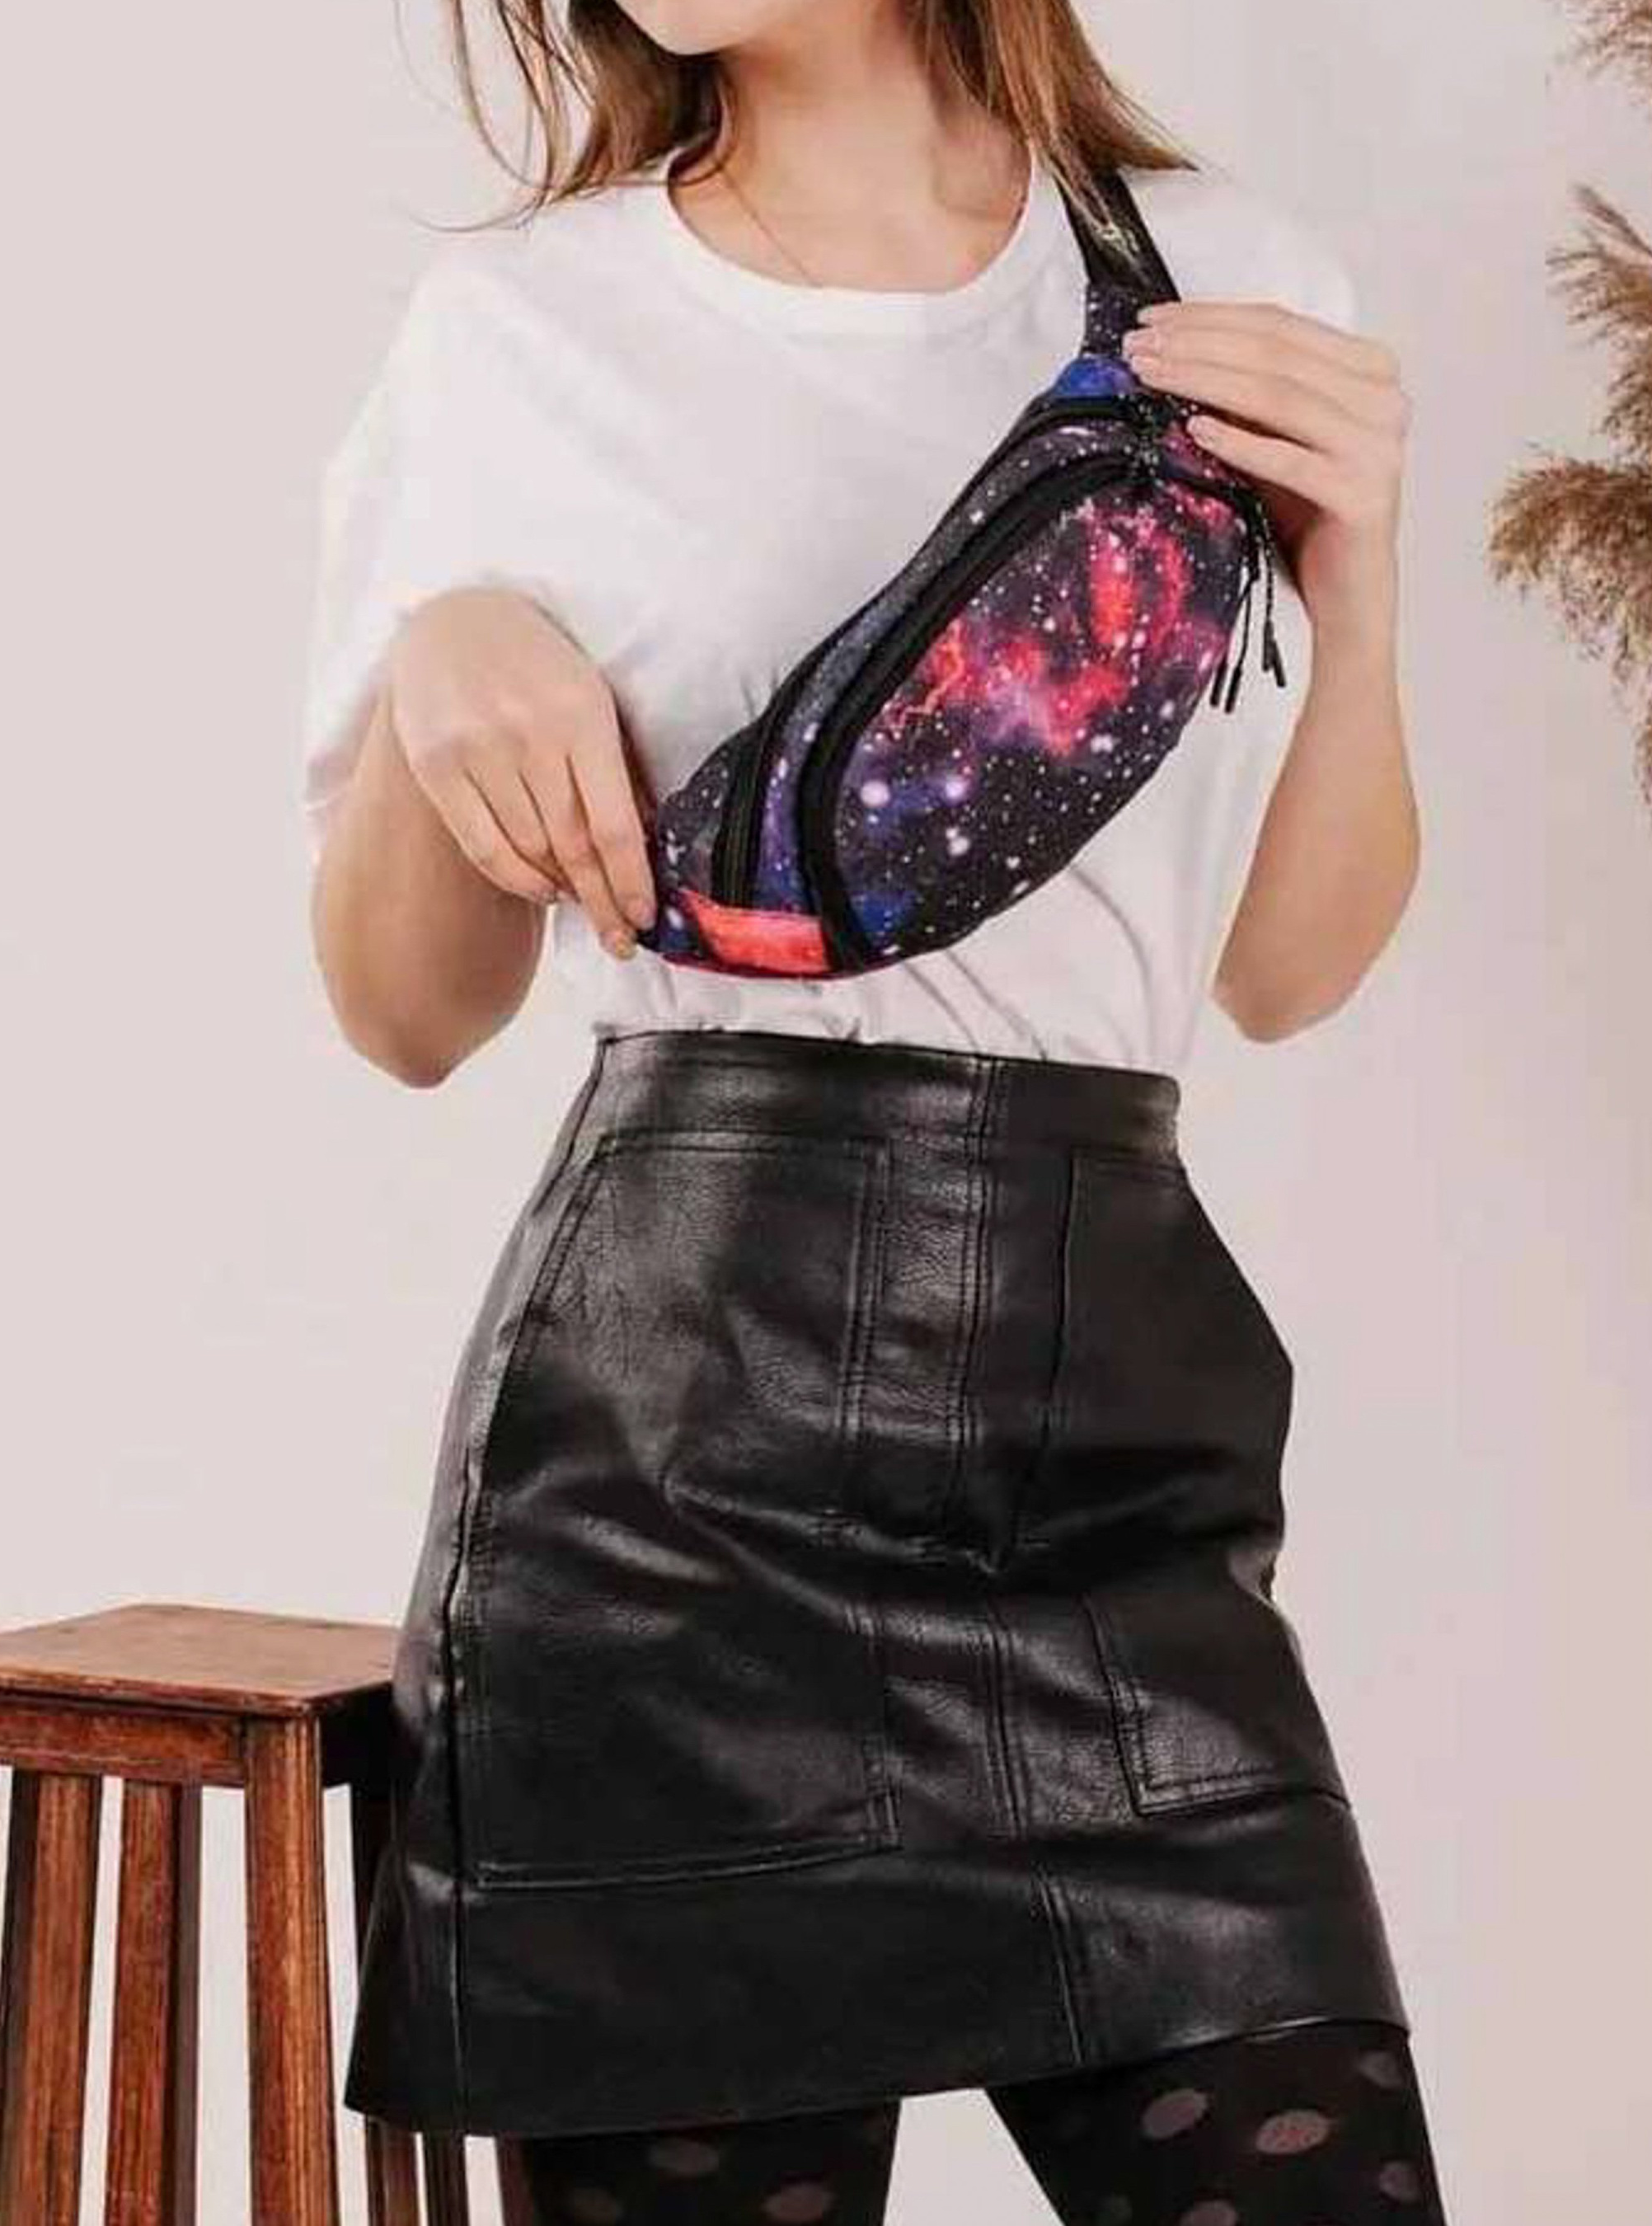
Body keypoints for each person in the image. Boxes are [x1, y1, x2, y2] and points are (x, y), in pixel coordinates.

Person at [300, 2, 1445, 2220]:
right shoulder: (521, 330)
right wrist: (440, 651)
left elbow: (1288, 972)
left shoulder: (1229, 281)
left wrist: (1363, 573)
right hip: (665, 1498)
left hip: (1117, 1473)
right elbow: (405, 1016)